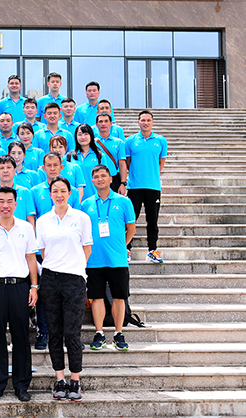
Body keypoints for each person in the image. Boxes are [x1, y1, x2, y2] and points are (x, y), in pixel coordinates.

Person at [0, 186, 39, 403]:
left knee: (22, 337)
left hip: (20, 287)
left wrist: (34, 286)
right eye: (1, 201)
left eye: (9, 201)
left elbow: (31, 258)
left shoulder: (26, 228)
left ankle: (22, 385)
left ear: (16, 203)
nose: (5, 205)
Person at [36, 176, 92, 402]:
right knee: (55, 332)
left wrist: (74, 267)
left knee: (72, 333)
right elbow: (43, 251)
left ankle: (75, 380)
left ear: (70, 193)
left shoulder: (81, 217)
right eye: (55, 191)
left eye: (63, 191)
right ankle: (60, 379)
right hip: (50, 279)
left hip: (74, 280)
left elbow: (87, 249)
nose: (59, 195)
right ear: (50, 194)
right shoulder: (43, 220)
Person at [81, 165, 136, 351]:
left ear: (111, 178)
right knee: (96, 298)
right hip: (94, 260)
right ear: (92, 181)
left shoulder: (124, 202)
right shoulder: (86, 204)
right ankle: (99, 333)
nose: (100, 179)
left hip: (117, 260)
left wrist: (121, 246)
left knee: (119, 297)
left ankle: (118, 333)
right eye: (96, 176)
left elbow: (132, 229)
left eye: (103, 175)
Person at [125, 110, 168, 263]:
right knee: (130, 218)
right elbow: (128, 162)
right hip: (134, 186)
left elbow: (161, 163)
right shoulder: (130, 141)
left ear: (152, 122)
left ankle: (152, 250)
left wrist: (152, 175)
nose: (145, 123)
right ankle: (126, 249)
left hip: (153, 187)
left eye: (148, 120)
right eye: (143, 120)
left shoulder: (161, 140)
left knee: (152, 220)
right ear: (138, 122)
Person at [0, 155, 36, 227]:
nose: (5, 171)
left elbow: (30, 220)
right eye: (2, 168)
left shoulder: (25, 192)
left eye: (9, 167)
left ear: (14, 171)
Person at [67, 124, 114, 202]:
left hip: (94, 199)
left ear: (91, 136)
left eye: (86, 134)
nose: (83, 137)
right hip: (75, 200)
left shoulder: (100, 156)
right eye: (80, 134)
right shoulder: (69, 156)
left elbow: (105, 178)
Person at [32, 152, 81, 219]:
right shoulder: (34, 192)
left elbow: (77, 217)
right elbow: (33, 218)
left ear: (61, 167)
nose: (52, 168)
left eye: (55, 165)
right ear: (43, 168)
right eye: (49, 165)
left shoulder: (73, 191)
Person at [94, 112, 127, 194]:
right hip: (96, 178)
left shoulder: (119, 142)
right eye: (100, 121)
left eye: (106, 121)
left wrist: (123, 183)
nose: (103, 124)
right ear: (96, 124)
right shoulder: (92, 142)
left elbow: (122, 164)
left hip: (113, 178)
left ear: (111, 123)